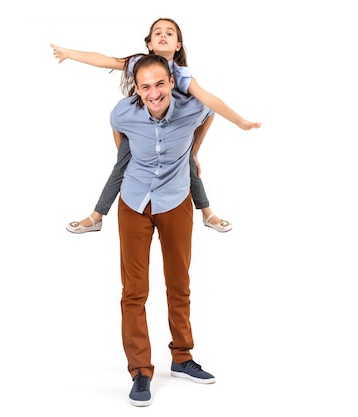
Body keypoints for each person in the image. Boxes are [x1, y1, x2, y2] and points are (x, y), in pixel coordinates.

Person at [51, 18, 260, 234]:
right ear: (149, 43)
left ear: (178, 45)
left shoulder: (181, 74)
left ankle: (207, 212)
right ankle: (96, 216)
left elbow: (209, 102)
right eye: (157, 33)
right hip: (144, 129)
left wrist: (238, 123)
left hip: (174, 131)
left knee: (189, 166)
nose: (163, 36)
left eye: (170, 34)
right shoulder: (137, 63)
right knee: (120, 167)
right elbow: (105, 60)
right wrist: (69, 53)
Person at [111, 53, 220, 407]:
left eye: (160, 83)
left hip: (175, 201)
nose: (154, 92)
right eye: (146, 86)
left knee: (179, 282)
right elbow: (120, 140)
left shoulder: (192, 108)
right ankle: (140, 372)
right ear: (137, 89)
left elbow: (209, 113)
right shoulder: (122, 112)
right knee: (134, 291)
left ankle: (182, 357)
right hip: (134, 202)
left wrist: (193, 152)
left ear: (172, 82)